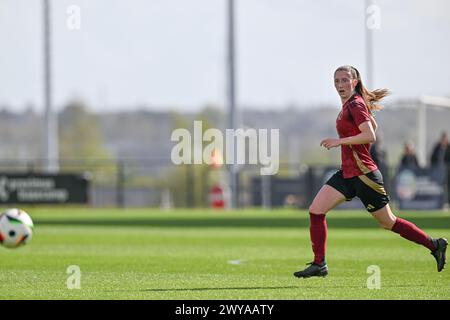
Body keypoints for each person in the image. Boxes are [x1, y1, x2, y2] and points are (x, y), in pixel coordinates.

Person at [294, 65, 447, 278]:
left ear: (354, 82)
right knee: (316, 210)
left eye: (345, 80)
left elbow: (370, 135)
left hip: (364, 175)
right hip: (347, 173)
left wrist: (340, 141)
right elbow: (372, 126)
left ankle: (434, 244)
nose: (340, 84)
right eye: (336, 80)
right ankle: (319, 264)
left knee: (388, 222)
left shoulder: (354, 105)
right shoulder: (352, 104)